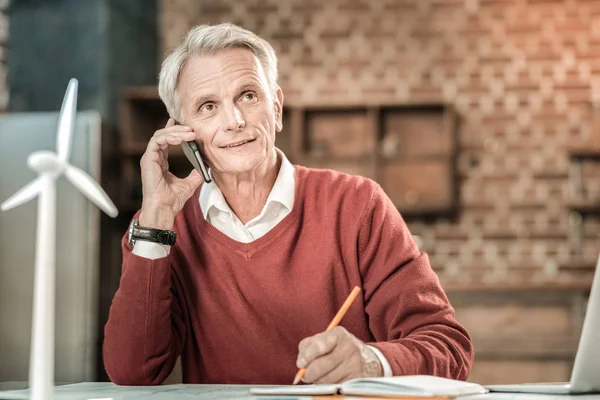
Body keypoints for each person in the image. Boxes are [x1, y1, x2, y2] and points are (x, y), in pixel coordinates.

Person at [103, 23, 473, 385]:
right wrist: (155, 223)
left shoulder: (358, 205)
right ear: (184, 133)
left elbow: (448, 347)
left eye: (248, 96)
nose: (234, 121)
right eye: (208, 106)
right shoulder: (165, 227)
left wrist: (371, 362)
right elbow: (132, 371)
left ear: (276, 109)